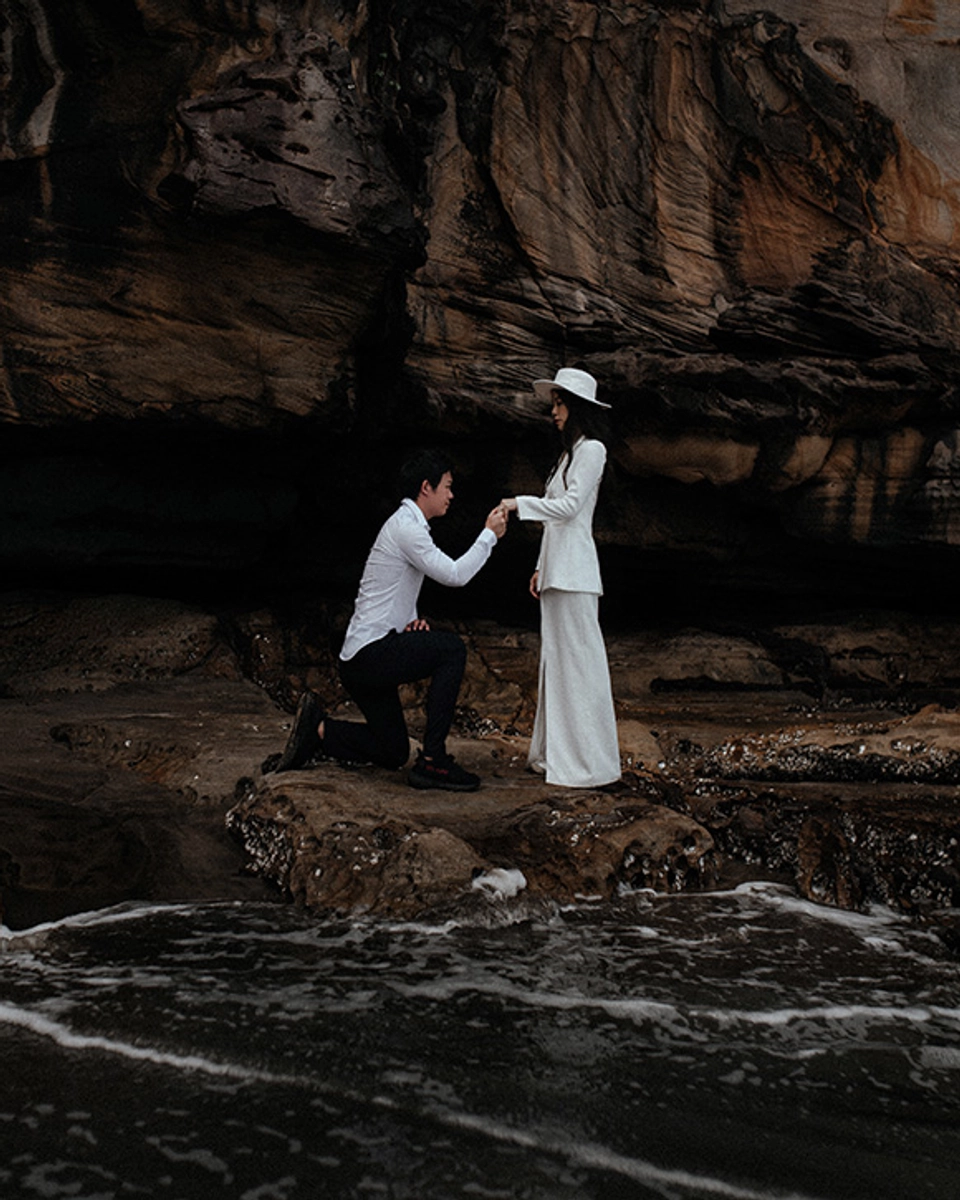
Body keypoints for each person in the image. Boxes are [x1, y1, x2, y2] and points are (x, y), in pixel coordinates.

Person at [272, 450, 508, 791]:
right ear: (426, 487)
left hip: (360, 658)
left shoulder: (405, 526)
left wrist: (409, 623)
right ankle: (433, 761)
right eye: (447, 486)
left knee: (393, 751)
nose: (452, 495)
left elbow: (390, 591)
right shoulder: (406, 528)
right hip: (370, 655)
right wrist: (489, 535)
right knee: (451, 650)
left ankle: (320, 731)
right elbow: (455, 575)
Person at [501, 367, 620, 788]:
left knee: (580, 665)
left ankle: (590, 764)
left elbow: (569, 509)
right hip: (558, 572)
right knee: (557, 664)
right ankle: (558, 755)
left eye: (559, 402)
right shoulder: (568, 455)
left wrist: (519, 504)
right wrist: (539, 565)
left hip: (577, 574)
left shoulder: (593, 451)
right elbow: (558, 521)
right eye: (554, 402)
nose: (553, 411)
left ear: (579, 408)